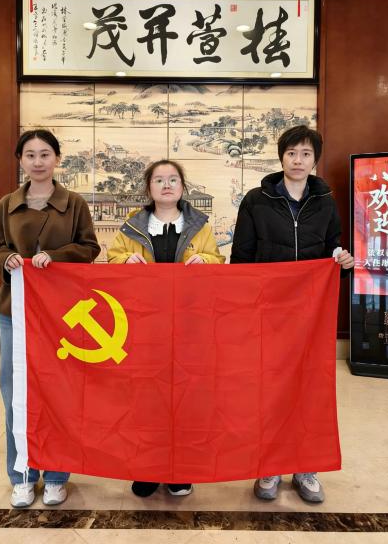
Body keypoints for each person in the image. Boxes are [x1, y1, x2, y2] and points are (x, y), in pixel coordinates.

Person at [230, 125, 354, 504]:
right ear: (281, 156)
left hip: (310, 315)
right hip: (267, 311)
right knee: (269, 390)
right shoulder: (257, 200)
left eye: (305, 154)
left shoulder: (325, 202)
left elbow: (332, 249)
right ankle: (269, 466)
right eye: (291, 153)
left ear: (314, 159)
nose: (298, 160)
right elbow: (241, 258)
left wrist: (342, 262)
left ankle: (305, 467)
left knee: (309, 389)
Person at [0, 130, 100, 508]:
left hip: (60, 315)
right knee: (15, 394)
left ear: (57, 159)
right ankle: (22, 475)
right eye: (30, 155)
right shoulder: (7, 204)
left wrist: (58, 256)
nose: (38, 161)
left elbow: (89, 247)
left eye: (45, 154)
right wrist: (7, 259)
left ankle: (56, 476)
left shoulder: (74, 203)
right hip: (14, 312)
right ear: (20, 160)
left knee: (58, 393)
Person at [108, 159, 225, 497]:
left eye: (173, 179)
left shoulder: (199, 226)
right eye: (159, 180)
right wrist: (124, 261)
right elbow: (112, 261)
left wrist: (206, 261)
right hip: (145, 327)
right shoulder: (132, 226)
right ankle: (147, 468)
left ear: (182, 187)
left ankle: (180, 470)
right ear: (149, 188)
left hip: (189, 325)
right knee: (146, 397)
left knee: (186, 397)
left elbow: (218, 261)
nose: (167, 185)